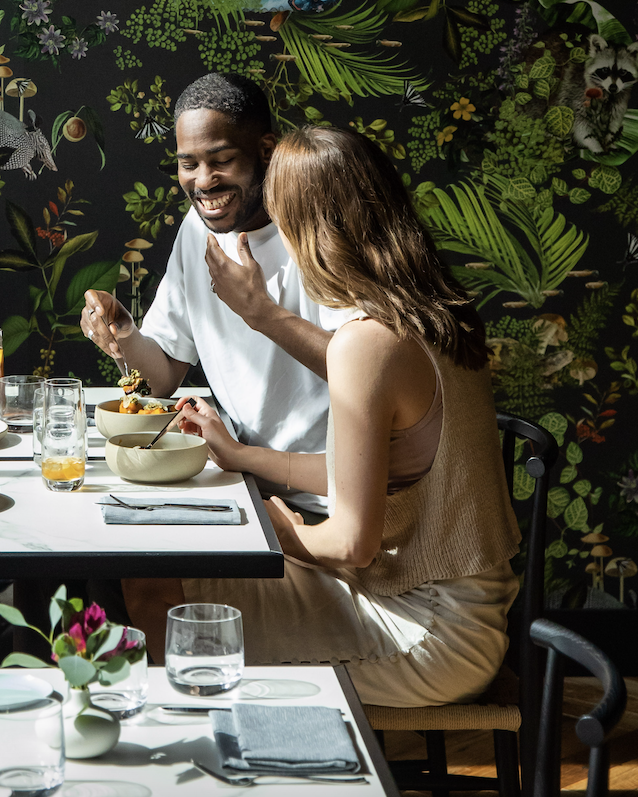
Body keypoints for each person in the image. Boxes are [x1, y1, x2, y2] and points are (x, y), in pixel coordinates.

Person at [124, 126, 522, 709]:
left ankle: (225, 762)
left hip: (428, 630)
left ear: (310, 225)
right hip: (455, 605)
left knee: (165, 598)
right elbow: (366, 470)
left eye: (280, 219)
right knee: (161, 578)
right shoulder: (434, 310)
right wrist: (241, 459)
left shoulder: (366, 342)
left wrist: (278, 527)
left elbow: (350, 543)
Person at [80, 73, 350, 513]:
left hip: (328, 498)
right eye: (189, 164)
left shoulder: (317, 231)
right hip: (244, 483)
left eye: (221, 160)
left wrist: (260, 313)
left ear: (266, 150)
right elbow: (163, 377)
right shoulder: (197, 229)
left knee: (142, 574)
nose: (204, 183)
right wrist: (124, 331)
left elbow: (369, 374)